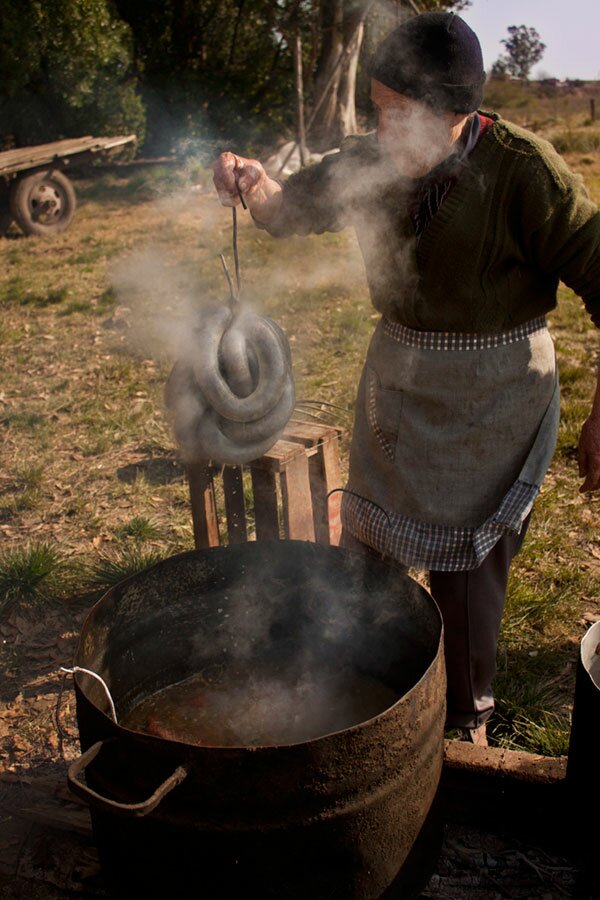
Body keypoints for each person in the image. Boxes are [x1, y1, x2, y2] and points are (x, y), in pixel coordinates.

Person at [213, 12, 600, 745]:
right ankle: (372, 688)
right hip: (400, 382)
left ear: (455, 111)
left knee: (468, 567)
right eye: (378, 109)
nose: (384, 129)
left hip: (494, 395)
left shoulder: (524, 171)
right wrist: (252, 180)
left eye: (401, 112)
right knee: (370, 547)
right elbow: (286, 211)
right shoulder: (372, 164)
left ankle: (465, 719)